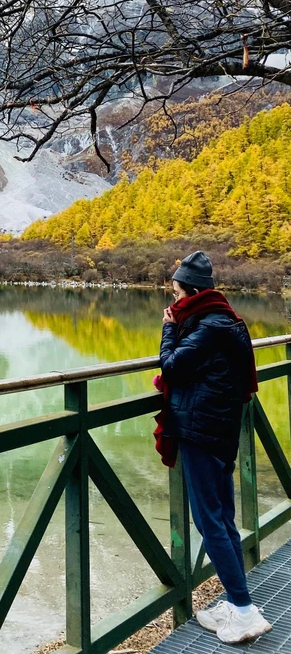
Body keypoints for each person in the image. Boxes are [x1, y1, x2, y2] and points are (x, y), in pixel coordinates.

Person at [157, 250, 270, 644]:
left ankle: (244, 612)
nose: (173, 301)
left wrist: (168, 329)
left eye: (176, 293)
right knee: (223, 517)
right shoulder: (227, 320)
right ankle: (237, 602)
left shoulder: (207, 327)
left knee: (209, 522)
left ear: (191, 292)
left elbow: (171, 365)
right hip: (221, 429)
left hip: (201, 431)